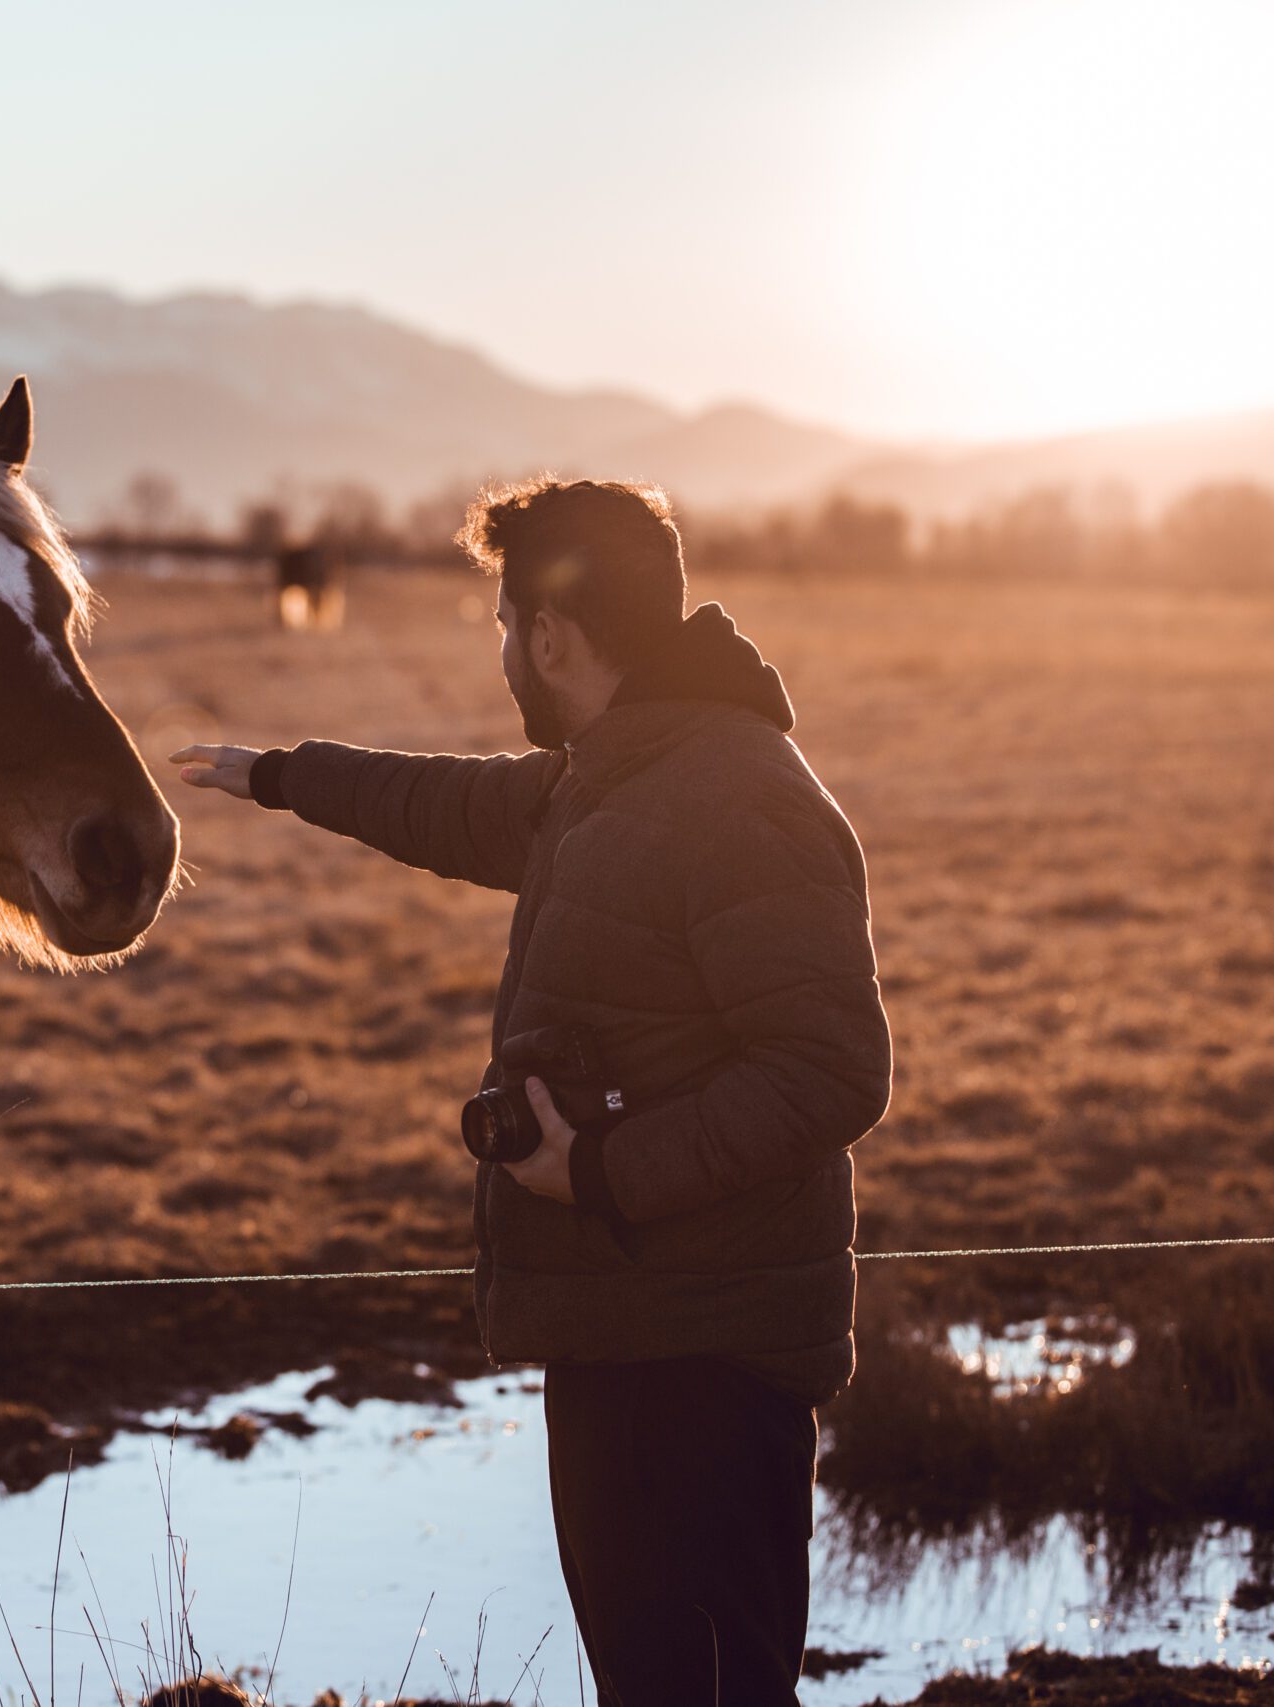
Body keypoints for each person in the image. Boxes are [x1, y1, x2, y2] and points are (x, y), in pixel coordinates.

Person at [174, 477, 892, 1706]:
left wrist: (600, 1170)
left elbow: (832, 1068)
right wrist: (285, 776)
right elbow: (448, 804)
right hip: (624, 1330)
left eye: (504, 625)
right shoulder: (604, 777)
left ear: (550, 636)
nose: (501, 649)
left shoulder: (732, 797)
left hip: (703, 1362)